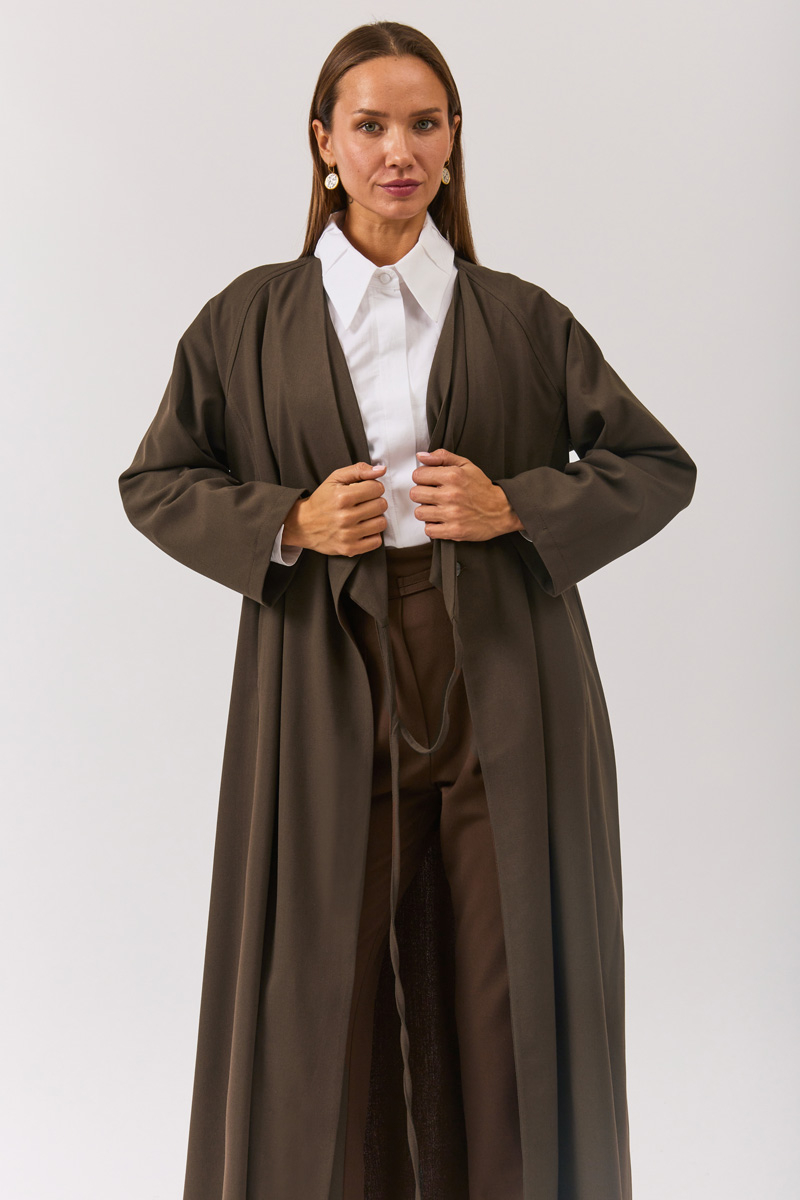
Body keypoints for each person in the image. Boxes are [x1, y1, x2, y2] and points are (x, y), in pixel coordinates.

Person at [118, 20, 697, 1200]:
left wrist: (515, 505)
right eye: (371, 125)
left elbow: (652, 465)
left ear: (452, 140)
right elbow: (157, 481)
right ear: (323, 143)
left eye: (424, 125)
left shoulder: (520, 317)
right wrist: (286, 521)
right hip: (325, 681)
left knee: (506, 994)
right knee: (319, 994)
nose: (399, 151)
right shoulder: (247, 319)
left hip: (504, 684)